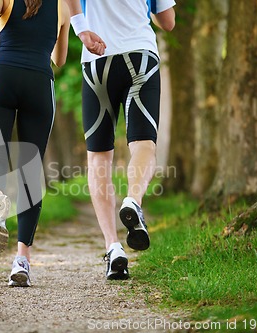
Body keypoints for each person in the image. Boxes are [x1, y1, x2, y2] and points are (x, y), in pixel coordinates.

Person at [67, 0, 176, 280]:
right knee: (143, 144)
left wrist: (81, 29)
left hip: (95, 58)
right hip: (140, 55)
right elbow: (168, 22)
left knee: (99, 156)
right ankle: (133, 201)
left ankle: (113, 247)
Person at [0, 0, 70, 287]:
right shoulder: (65, 6)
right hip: (39, 83)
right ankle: (22, 261)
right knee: (29, 172)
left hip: (0, 77)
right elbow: (60, 59)